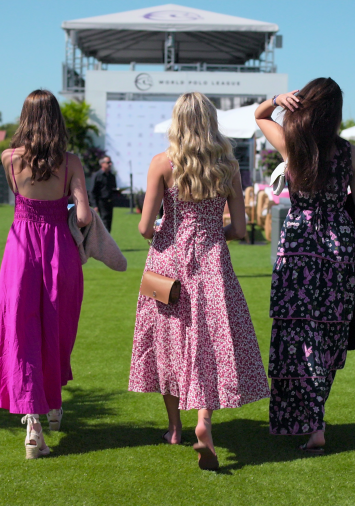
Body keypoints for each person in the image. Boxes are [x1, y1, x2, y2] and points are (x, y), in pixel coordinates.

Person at [129, 92, 269, 471]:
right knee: (209, 341)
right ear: (211, 121)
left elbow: (144, 227)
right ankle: (203, 421)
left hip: (168, 264)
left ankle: (175, 428)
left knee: (169, 341)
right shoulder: (228, 166)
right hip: (212, 261)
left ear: (177, 122)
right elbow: (239, 229)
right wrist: (209, 229)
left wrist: (164, 226)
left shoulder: (162, 163)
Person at [255, 78, 355, 453]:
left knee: (297, 334)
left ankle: (305, 419)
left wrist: (276, 100)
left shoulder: (293, 145)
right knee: (327, 334)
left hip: (299, 245)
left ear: (303, 104)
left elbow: (259, 116)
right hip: (337, 246)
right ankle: (317, 418)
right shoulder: (350, 154)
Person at [0, 89, 92, 460]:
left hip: (20, 253)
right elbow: (82, 217)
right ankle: (52, 405)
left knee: (21, 332)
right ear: (56, 120)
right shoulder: (70, 162)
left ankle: (34, 421)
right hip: (59, 253)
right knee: (58, 329)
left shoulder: (9, 159)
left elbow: (20, 200)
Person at [89, 156, 118, 232]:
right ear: (102, 164)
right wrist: (94, 205)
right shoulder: (97, 175)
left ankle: (107, 240)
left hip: (110, 201)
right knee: (104, 221)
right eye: (108, 162)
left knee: (109, 221)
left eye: (110, 162)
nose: (110, 164)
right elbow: (92, 191)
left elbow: (113, 188)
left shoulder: (111, 176)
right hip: (101, 202)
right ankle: (104, 240)